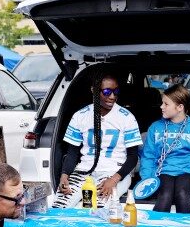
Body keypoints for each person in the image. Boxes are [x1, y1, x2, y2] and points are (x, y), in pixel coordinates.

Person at [53, 73, 142, 208]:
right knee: (59, 208)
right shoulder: (80, 116)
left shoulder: (126, 117)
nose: (112, 97)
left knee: (94, 210)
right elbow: (72, 153)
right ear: (93, 90)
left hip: (114, 173)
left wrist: (113, 180)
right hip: (84, 172)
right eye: (107, 92)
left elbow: (133, 157)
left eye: (115, 92)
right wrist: (64, 175)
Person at [139, 84, 190, 213]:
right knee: (165, 195)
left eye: (166, 104)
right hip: (163, 172)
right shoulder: (155, 127)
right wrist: (147, 179)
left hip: (189, 173)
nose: (161, 107)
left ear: (180, 107)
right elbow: (148, 157)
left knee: (181, 193)